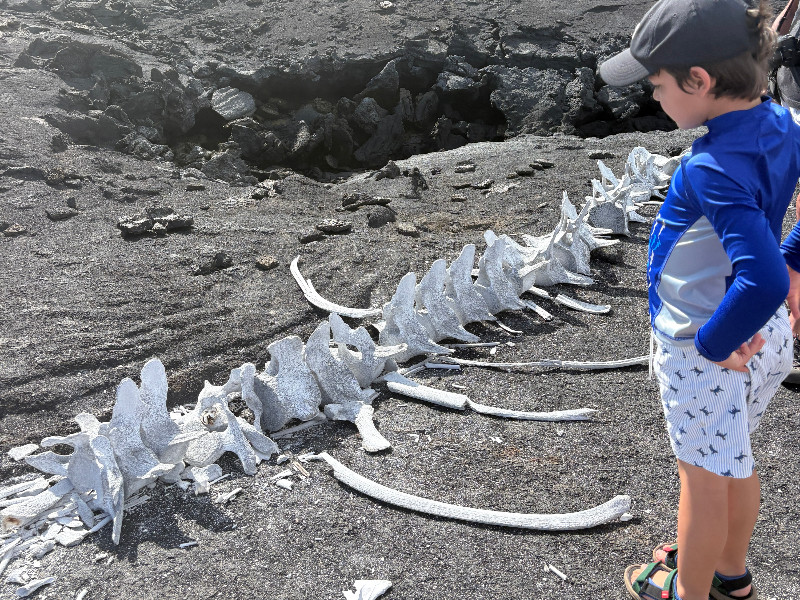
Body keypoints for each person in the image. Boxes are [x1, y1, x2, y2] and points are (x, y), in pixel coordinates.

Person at [599, 0, 800, 599]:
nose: (654, 99)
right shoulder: (785, 123)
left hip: (706, 343)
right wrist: (794, 259)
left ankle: (689, 594)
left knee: (703, 480)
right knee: (732, 460)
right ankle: (730, 579)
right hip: (765, 335)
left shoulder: (709, 166)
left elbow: (759, 278)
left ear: (699, 81)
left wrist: (713, 341)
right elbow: (770, 276)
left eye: (658, 86)